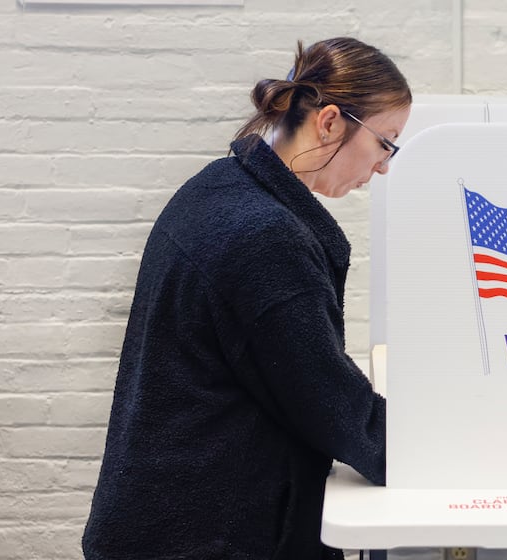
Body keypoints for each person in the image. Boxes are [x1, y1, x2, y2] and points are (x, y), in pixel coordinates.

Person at [82, 37, 412, 560]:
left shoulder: (219, 187)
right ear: (329, 122)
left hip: (167, 519)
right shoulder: (265, 237)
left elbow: (301, 374)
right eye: (385, 142)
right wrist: (453, 450)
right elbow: (332, 407)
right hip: (202, 536)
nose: (385, 165)